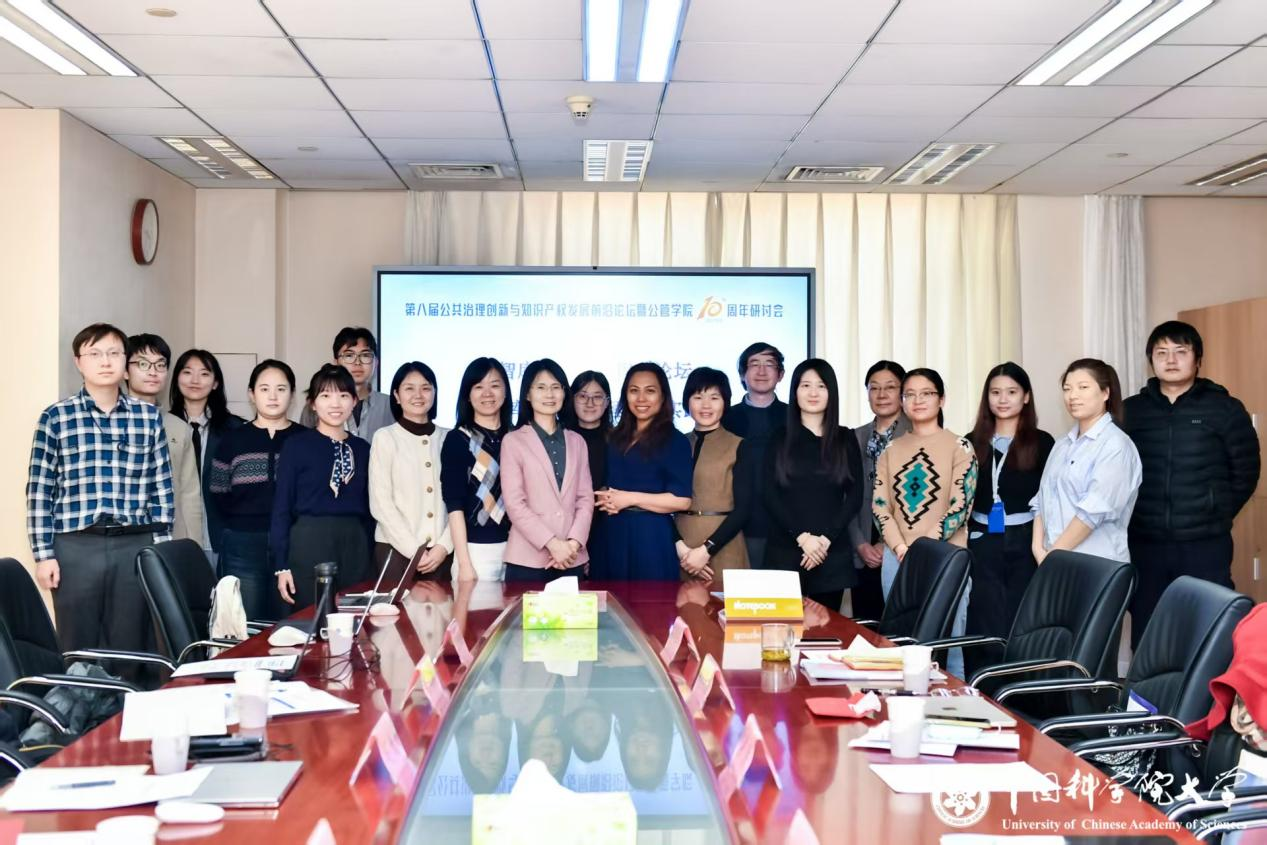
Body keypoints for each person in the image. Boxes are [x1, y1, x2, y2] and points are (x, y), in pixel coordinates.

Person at [26, 323, 174, 652]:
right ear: (78, 362)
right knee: (76, 640)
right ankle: (78, 687)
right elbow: (40, 491)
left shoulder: (148, 417)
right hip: (75, 545)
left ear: (125, 363)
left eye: (113, 353)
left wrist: (161, 550)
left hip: (133, 542)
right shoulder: (56, 417)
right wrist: (44, 555)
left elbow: (161, 486)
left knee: (132, 639)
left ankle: (126, 688)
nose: (105, 361)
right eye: (94, 354)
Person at [1123, 321, 1261, 649]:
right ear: (1151, 360)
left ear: (1198, 359)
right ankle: (1148, 686)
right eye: (1162, 353)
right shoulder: (1131, 411)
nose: (1170, 360)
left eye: (1180, 352)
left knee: (1208, 628)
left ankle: (1205, 686)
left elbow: (1245, 472)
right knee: (1149, 630)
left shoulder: (1224, 408)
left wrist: (1215, 510)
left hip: (1205, 543)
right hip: (1145, 542)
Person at [873, 368, 978, 676]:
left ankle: (955, 701)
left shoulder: (960, 447)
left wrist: (920, 550)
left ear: (941, 399)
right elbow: (880, 506)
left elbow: (961, 507)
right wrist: (900, 547)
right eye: (910, 394)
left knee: (950, 647)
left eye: (927, 393)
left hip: (946, 559)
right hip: (896, 557)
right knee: (899, 646)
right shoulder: (891, 449)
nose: (918, 400)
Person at [965, 363, 1055, 674]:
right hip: (981, 539)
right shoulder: (970, 441)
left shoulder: (1042, 442)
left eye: (1012, 392)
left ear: (1026, 396)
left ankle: (1020, 691)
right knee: (983, 619)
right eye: (995, 392)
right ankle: (982, 686)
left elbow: (1048, 498)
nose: (1003, 399)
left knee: (1021, 620)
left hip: (1027, 540)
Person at [762, 359, 864, 611]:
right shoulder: (778, 438)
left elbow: (855, 495)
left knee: (826, 630)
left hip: (830, 552)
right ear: (795, 391)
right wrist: (803, 538)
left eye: (821, 385)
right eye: (805, 385)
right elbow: (769, 494)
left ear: (831, 392)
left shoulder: (845, 438)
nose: (813, 392)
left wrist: (825, 540)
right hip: (785, 551)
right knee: (782, 629)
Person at [209, 359, 304, 620]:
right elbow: (218, 491)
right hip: (243, 544)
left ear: (292, 394)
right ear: (252, 394)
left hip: (293, 545)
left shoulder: (306, 440)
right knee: (244, 624)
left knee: (290, 624)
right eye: (264, 389)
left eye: (281, 389)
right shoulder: (232, 440)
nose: (273, 396)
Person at [272, 365, 372, 608]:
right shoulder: (296, 446)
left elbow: (371, 508)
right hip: (309, 542)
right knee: (312, 616)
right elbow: (281, 507)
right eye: (326, 395)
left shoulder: (364, 449)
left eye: (343, 395)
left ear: (354, 401)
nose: (335, 404)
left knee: (354, 618)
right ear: (313, 403)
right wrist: (281, 566)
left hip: (355, 544)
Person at [1032, 359, 1142, 566]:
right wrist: (1038, 549)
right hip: (1053, 559)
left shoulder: (1116, 445)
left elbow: (1093, 512)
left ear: (1105, 393)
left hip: (1096, 565)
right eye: (1067, 389)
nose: (1073, 396)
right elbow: (1041, 500)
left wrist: (1052, 555)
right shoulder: (1062, 444)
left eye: (1083, 387)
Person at [594, 363, 692, 580]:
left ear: (663, 396)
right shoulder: (615, 437)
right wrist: (605, 496)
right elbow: (610, 482)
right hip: (611, 534)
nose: (641, 398)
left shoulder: (675, 441)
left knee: (649, 599)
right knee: (610, 598)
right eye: (634, 390)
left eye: (650, 391)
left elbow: (682, 500)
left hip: (651, 538)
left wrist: (630, 499)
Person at [501, 359, 594, 583]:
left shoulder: (577, 441)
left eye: (555, 387)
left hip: (571, 558)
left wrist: (573, 544)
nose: (549, 394)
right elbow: (514, 503)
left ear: (564, 393)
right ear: (527, 394)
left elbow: (585, 498)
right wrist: (552, 544)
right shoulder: (513, 441)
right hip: (527, 559)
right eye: (541, 387)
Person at [370, 361, 454, 588]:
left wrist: (444, 546)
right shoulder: (385, 437)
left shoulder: (450, 438)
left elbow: (460, 501)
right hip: (395, 551)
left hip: (442, 554)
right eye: (409, 388)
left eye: (426, 388)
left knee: (445, 609)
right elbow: (380, 502)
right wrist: (413, 550)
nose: (418, 395)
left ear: (435, 393)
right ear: (396, 396)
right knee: (395, 611)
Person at [676, 367, 751, 589]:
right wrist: (682, 550)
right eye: (698, 397)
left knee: (726, 609)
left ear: (725, 402)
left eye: (714, 397)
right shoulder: (675, 444)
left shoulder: (739, 445)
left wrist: (706, 550)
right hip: (682, 549)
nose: (706, 405)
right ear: (687, 402)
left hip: (725, 545)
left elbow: (744, 509)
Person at [170, 348, 245, 568]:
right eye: (187, 372)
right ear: (176, 378)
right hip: (176, 535)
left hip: (221, 536)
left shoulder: (236, 429)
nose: (195, 380)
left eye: (204, 374)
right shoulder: (163, 425)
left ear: (215, 383)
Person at [125, 333, 202, 544]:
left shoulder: (179, 427)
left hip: (169, 537)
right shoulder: (111, 421)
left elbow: (189, 494)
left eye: (160, 365)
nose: (153, 372)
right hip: (123, 538)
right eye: (143, 364)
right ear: (125, 370)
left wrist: (193, 544)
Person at [848, 360, 910, 621]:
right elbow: (845, 495)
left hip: (903, 546)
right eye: (874, 388)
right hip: (862, 546)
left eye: (890, 387)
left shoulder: (916, 434)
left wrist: (888, 543)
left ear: (903, 392)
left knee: (899, 627)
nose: (881, 394)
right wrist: (860, 544)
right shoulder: (854, 437)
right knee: (865, 626)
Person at [442, 358, 513, 584]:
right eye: (478, 386)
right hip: (475, 551)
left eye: (495, 385)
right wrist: (464, 563)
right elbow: (454, 505)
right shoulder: (458, 439)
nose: (487, 393)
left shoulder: (516, 437)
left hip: (518, 550)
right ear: (467, 394)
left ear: (505, 391)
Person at [722, 342, 787, 568]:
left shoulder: (794, 417)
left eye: (769, 364)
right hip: (735, 526)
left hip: (785, 527)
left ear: (780, 375)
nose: (761, 371)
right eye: (754, 364)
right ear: (742, 374)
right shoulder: (725, 418)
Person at [300, 327, 393, 444]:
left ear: (376, 362)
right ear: (336, 362)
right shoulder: (317, 406)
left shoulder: (391, 406)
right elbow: (304, 445)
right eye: (349, 355)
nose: (357, 362)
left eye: (365, 355)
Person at [567, 370, 612, 574]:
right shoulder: (560, 438)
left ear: (607, 402)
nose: (590, 403)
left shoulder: (619, 441)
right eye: (583, 396)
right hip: (565, 536)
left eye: (597, 397)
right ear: (572, 399)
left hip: (607, 533)